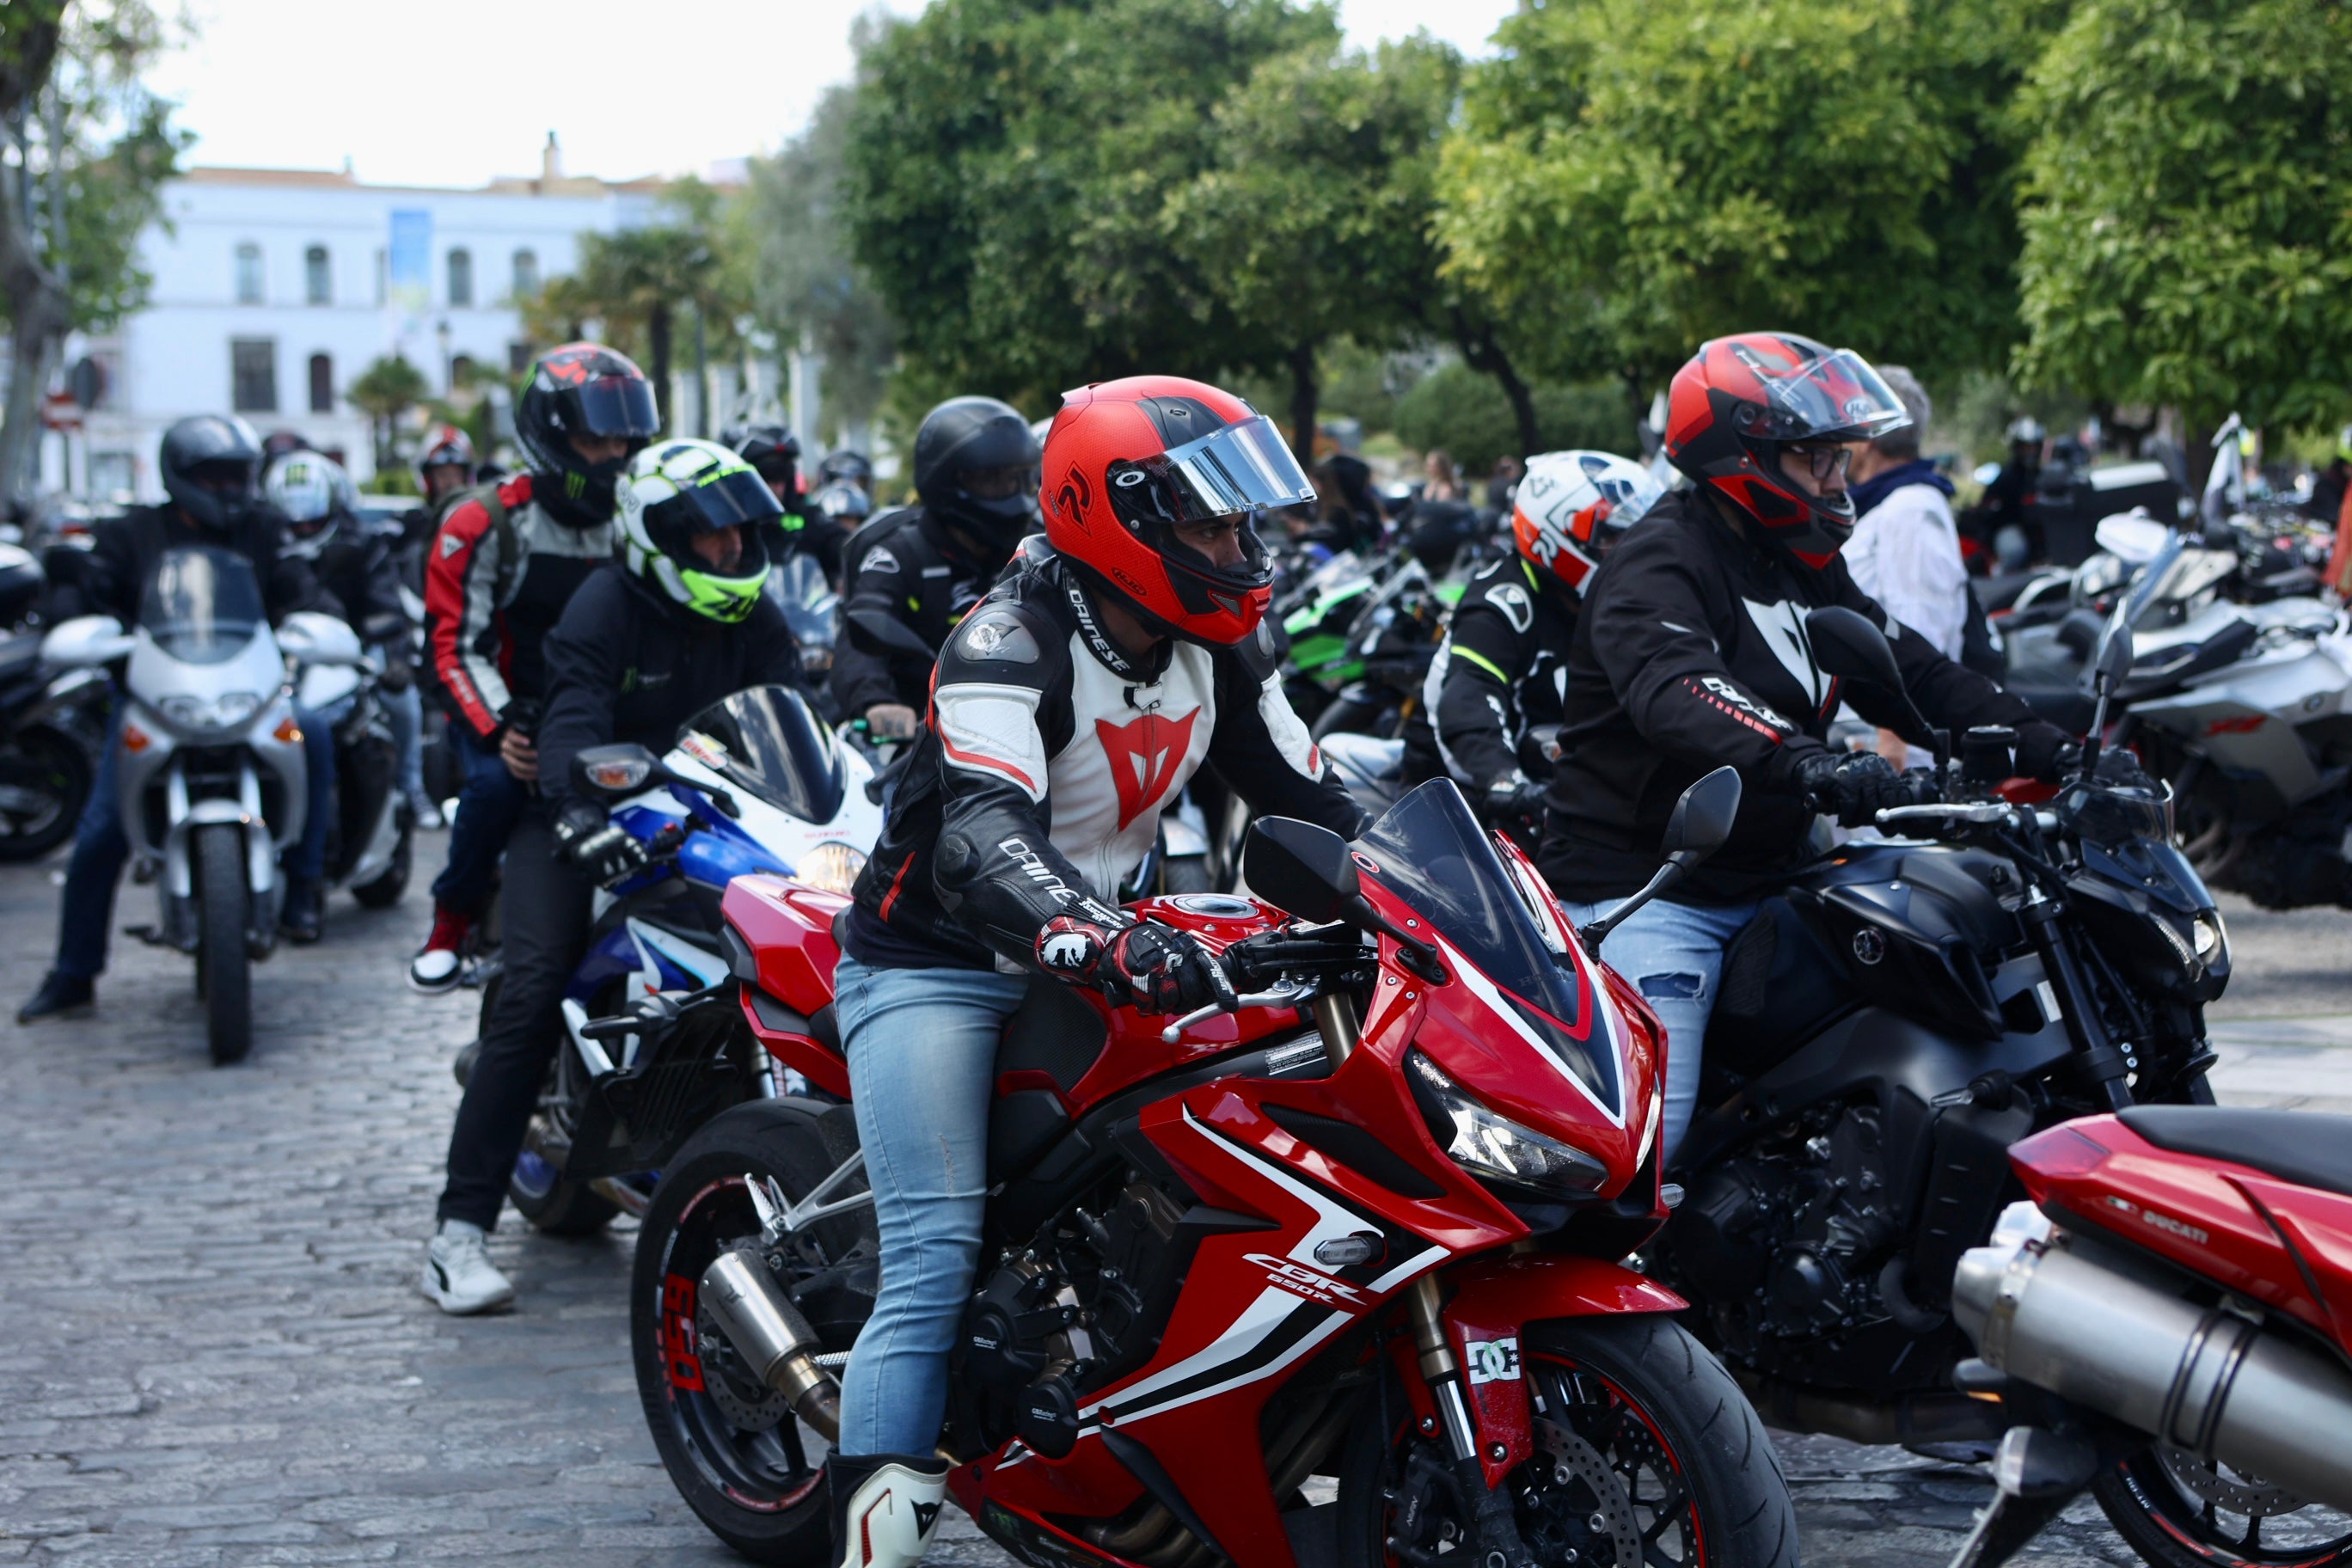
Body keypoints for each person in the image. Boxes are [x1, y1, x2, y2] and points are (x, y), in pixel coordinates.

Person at [822, 376, 1367, 1559]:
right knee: (932, 1253)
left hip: (1102, 947)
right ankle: (872, 1536)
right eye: (1211, 519)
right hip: (941, 960)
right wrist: (1109, 937)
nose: (1239, 544)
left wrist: (1435, 876)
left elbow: (1309, 795)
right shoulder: (1007, 641)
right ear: (1116, 515)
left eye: (1242, 518)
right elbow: (980, 839)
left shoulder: (1217, 640)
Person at [1536, 334, 2079, 1161]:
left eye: (1841, 457)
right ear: (1743, 454)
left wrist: (2060, 752)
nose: (1838, 478)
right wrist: (1807, 761)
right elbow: (1678, 690)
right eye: (1816, 459)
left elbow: (1913, 670)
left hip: (1779, 877)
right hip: (1650, 894)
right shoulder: (1657, 561)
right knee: (1646, 1150)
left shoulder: (1801, 562)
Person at [421, 438, 804, 1314]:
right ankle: (458, 1233)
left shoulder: (756, 614)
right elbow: (570, 726)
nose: (729, 552)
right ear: (652, 538)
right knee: (529, 989)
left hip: (707, 817)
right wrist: (577, 817)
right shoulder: (602, 609)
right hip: (576, 813)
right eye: (708, 538)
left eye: (739, 535)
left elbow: (795, 721)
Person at [19, 416, 338, 1021]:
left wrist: (315, 622)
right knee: (100, 832)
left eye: (238, 475)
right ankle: (73, 972)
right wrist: (80, 623)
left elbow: (304, 593)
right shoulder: (129, 534)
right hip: (157, 703)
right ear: (183, 478)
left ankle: (303, 885)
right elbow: (86, 593)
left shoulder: (264, 532)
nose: (229, 488)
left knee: (316, 735)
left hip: (251, 697)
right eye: (214, 476)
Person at [407, 344, 657, 995]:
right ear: (551, 434)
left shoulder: (641, 518)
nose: (614, 456)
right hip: (508, 711)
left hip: (604, 713)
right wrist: (501, 729)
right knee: (492, 788)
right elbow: (455, 645)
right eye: (595, 438)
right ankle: (452, 918)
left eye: (624, 440)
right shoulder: (482, 520)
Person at [1401, 450, 1663, 846]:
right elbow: (1468, 697)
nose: (1629, 551)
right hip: (1457, 798)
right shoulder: (1501, 604)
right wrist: (1502, 778)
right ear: (1553, 536)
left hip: (1564, 789)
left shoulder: (1620, 601)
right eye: (1612, 537)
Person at [828, 396, 1039, 744]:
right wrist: (877, 700)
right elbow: (859, 636)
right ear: (947, 480)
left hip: (1023, 728)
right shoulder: (898, 554)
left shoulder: (1032, 551)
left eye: (1020, 480)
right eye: (994, 481)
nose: (1012, 496)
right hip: (921, 740)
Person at [266, 448, 422, 848]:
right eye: (294, 522)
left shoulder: (364, 545)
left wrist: (397, 659)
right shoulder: (266, 551)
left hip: (353, 656)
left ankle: (409, 789)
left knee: (402, 703)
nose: (303, 529)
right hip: (281, 664)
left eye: (312, 520)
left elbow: (386, 606)